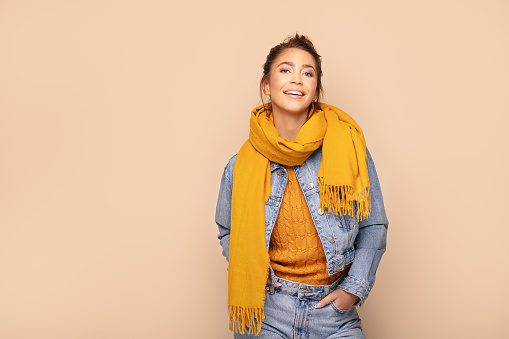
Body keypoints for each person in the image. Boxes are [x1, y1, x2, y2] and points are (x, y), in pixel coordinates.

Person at [215, 33, 388, 339]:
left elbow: (373, 224)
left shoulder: (348, 147)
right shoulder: (239, 165)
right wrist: (257, 276)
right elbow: (229, 231)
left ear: (315, 89)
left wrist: (353, 290)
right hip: (268, 311)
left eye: (307, 73)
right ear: (266, 85)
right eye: (285, 70)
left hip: (334, 314)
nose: (297, 79)